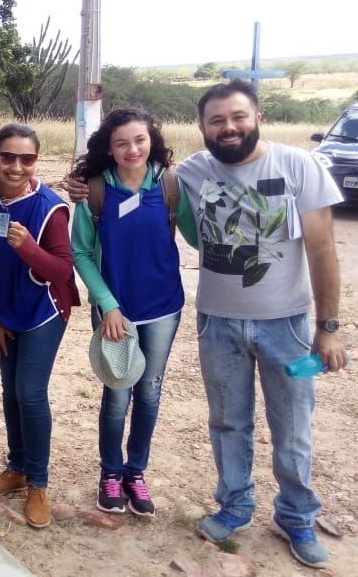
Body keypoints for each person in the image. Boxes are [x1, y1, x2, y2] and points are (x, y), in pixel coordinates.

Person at [66, 79, 346, 568]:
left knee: (292, 425)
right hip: (217, 323)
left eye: (238, 116)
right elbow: (100, 227)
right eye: (217, 120)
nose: (228, 127)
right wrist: (83, 184)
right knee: (226, 421)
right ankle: (233, 505)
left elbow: (321, 249)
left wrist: (329, 327)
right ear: (202, 127)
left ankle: (297, 516)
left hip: (286, 325)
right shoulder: (190, 172)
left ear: (257, 116)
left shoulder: (297, 165)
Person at [69, 109, 195, 518]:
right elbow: (80, 253)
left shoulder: (171, 184)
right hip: (115, 312)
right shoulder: (95, 191)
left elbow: (199, 236)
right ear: (109, 148)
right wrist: (107, 304)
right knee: (117, 393)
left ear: (151, 140)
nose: (132, 149)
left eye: (140, 140)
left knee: (149, 391)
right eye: (121, 143)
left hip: (163, 307)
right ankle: (110, 473)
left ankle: (135, 473)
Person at [0, 124, 79, 528]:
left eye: (27, 158)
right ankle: (16, 468)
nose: (16, 166)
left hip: (43, 310)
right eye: (8, 157)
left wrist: (28, 249)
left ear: (36, 161)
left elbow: (63, 271)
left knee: (30, 393)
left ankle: (37, 482)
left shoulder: (49, 207)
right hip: (3, 310)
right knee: (10, 390)